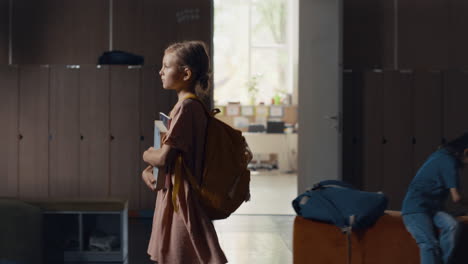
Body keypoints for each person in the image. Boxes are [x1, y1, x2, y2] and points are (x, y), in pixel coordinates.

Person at [141, 41, 227, 264]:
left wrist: (146, 155)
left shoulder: (186, 108)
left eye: (166, 66)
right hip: (176, 191)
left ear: (186, 73)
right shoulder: (186, 106)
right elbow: (177, 155)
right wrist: (149, 170)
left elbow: (164, 157)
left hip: (182, 197)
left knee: (183, 255)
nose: (160, 72)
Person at [402, 132, 468, 264]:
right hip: (416, 209)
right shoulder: (448, 162)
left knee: (452, 226)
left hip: (433, 210)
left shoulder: (440, 155)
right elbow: (456, 198)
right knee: (429, 244)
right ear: (466, 151)